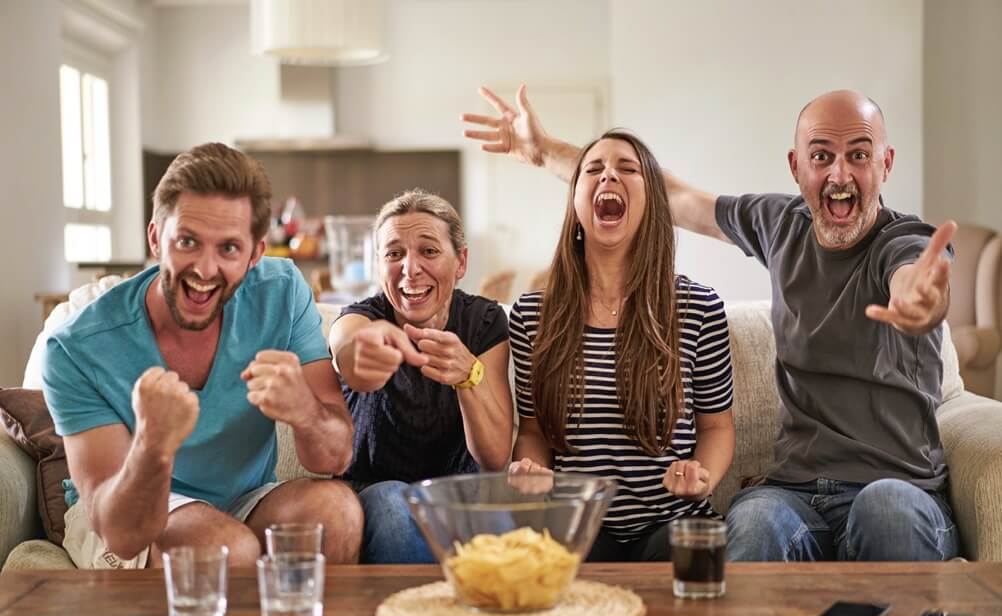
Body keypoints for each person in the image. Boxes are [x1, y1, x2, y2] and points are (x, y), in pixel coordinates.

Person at [464, 86, 959, 561]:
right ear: (796, 166)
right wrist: (542, 151)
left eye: (859, 154)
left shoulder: (906, 240)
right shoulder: (780, 225)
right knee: (753, 522)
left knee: (884, 509)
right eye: (822, 155)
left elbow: (914, 277)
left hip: (895, 485)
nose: (839, 174)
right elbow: (668, 195)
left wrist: (919, 299)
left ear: (885, 163)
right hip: (795, 495)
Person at [43, 143, 363, 568]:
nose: (205, 269)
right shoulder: (76, 346)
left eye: (228, 248)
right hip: (125, 504)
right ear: (156, 238)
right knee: (228, 549)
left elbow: (334, 457)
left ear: (255, 255)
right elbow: (121, 532)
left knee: (337, 513)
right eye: (188, 242)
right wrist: (153, 443)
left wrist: (304, 410)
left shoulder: (281, 292)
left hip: (243, 499)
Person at [506, 129, 736, 561]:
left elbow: (716, 427)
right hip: (576, 524)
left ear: (652, 203)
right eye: (593, 169)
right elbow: (534, 432)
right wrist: (533, 471)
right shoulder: (531, 316)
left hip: (674, 521)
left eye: (627, 169)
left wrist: (702, 475)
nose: (608, 176)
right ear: (575, 204)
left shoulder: (699, 307)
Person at [330, 189, 513, 563]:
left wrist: (469, 375)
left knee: (503, 527)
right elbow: (344, 344)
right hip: (375, 489)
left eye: (428, 251)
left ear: (460, 262)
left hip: (463, 492)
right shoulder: (360, 317)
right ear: (378, 265)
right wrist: (360, 352)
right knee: (392, 502)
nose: (410, 269)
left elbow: (494, 458)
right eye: (394, 254)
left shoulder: (484, 322)